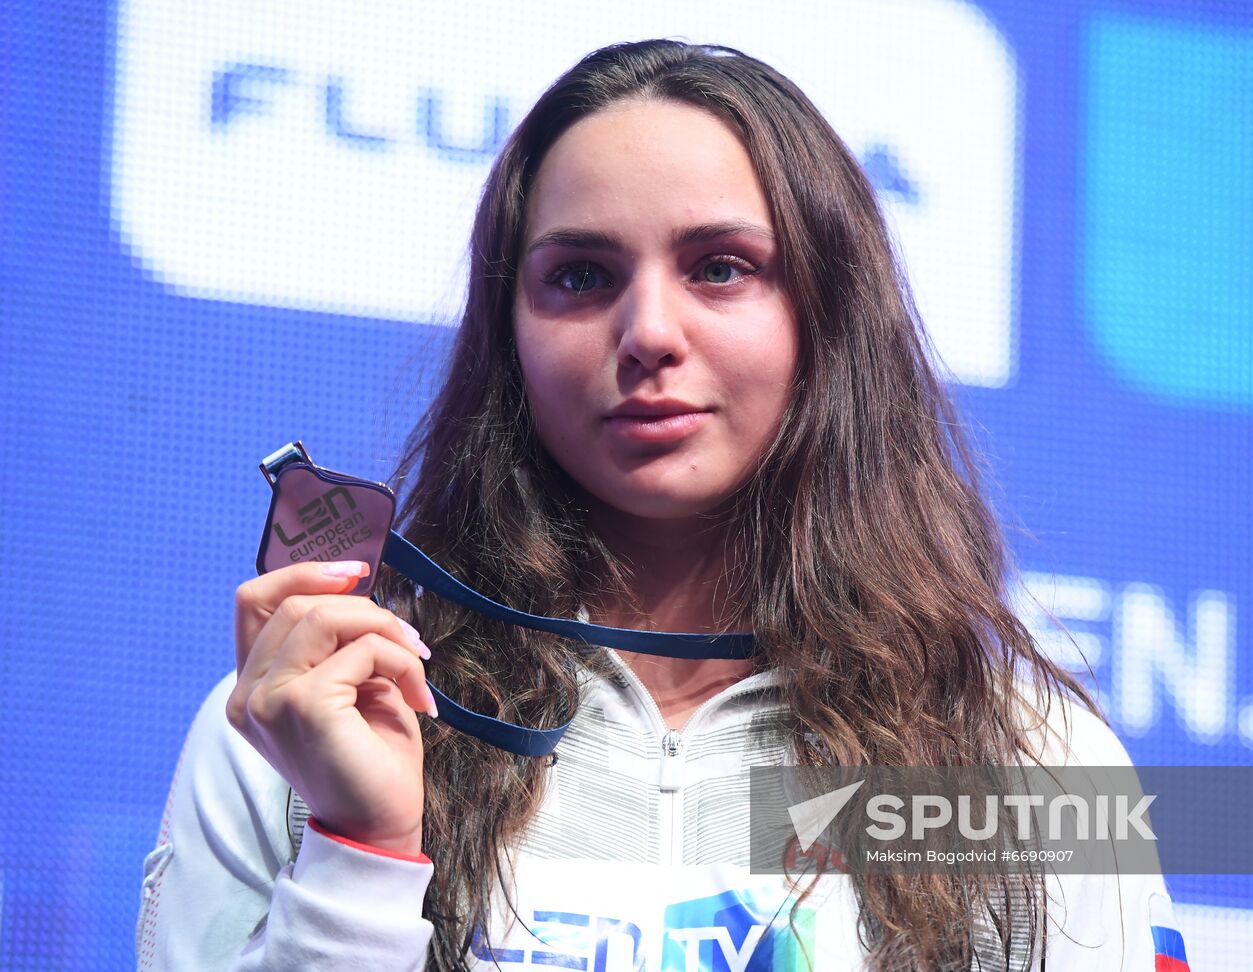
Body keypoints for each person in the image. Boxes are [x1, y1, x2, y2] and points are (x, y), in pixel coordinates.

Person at [137, 39, 1186, 972]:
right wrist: (359, 851)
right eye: (580, 277)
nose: (647, 331)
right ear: (508, 335)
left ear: (829, 317)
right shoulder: (307, 724)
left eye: (720, 269)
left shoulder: (1028, 763)